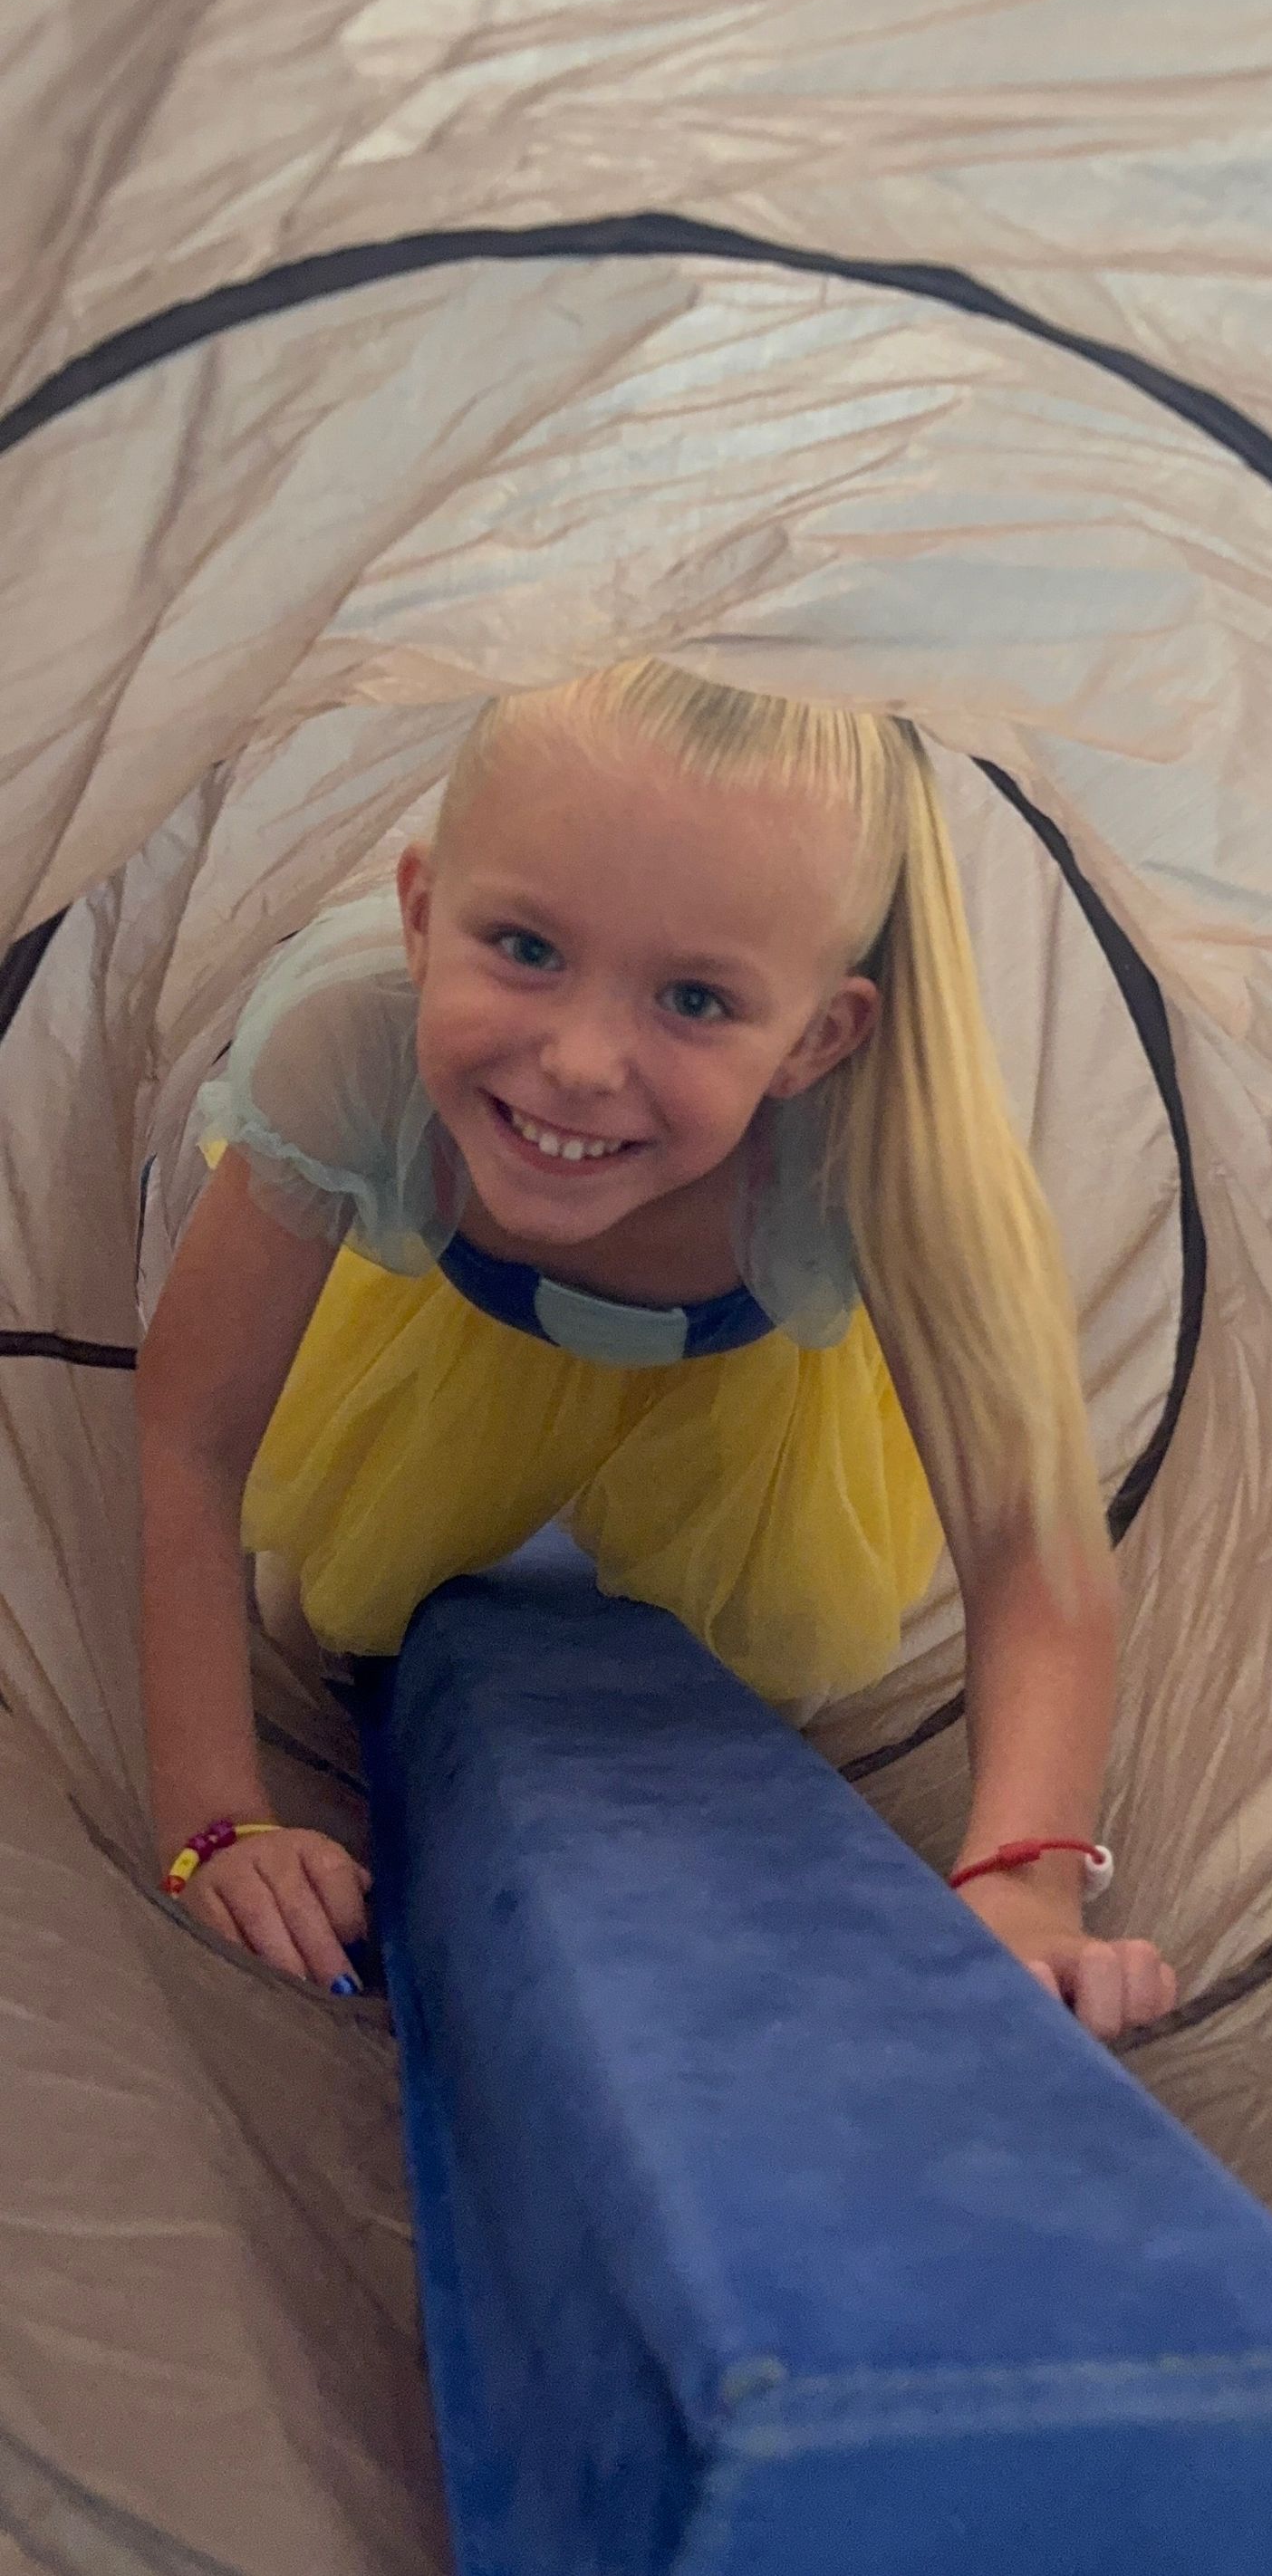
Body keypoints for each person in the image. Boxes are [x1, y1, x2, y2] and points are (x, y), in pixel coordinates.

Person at [137, 661, 1175, 2043]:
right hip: (440, 1353)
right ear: (420, 910)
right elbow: (187, 1433)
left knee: (749, 1665)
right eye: (525, 947)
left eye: (693, 1000)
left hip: (749, 1403)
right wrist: (215, 1818)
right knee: (335, 1619)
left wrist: (1025, 1883)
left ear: (819, 1037)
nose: (577, 1059)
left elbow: (1025, 1536)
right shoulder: (345, 1043)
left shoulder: (883, 1152)